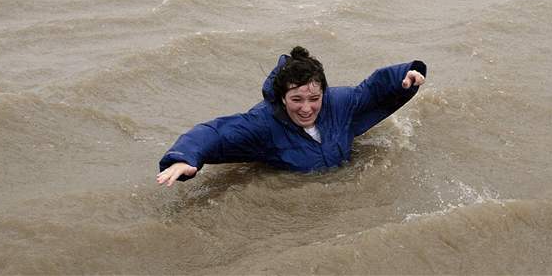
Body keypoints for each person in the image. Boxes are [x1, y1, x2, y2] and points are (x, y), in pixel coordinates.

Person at [157, 46, 427, 187]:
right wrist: (184, 159)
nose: (307, 108)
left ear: (323, 92)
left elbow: (372, 89)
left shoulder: (339, 102)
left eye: (314, 98)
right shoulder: (262, 123)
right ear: (282, 98)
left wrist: (406, 74)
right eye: (296, 100)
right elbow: (215, 133)